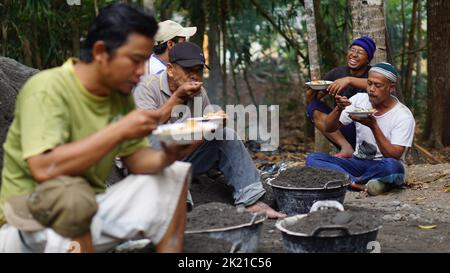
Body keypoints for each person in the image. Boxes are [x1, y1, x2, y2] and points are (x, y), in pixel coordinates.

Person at [0, 3, 198, 253]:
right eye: (135, 61)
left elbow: (137, 162)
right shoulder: (47, 89)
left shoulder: (120, 96)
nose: (141, 71)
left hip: (87, 216)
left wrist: (173, 152)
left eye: (145, 61)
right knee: (75, 192)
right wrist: (119, 130)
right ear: (101, 51)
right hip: (26, 224)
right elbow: (44, 168)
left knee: (174, 176)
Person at [133, 42, 286, 219]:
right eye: (188, 69)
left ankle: (251, 200)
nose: (194, 76)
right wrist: (177, 97)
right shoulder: (146, 87)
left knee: (225, 134)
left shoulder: (199, 92)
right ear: (170, 69)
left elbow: (200, 131)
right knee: (157, 139)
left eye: (198, 70)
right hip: (147, 161)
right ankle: (178, 208)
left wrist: (212, 125)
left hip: (182, 156)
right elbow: (147, 132)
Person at [306, 62, 415, 196]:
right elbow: (329, 127)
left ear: (391, 88)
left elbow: (394, 155)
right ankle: (358, 183)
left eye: (377, 85)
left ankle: (347, 180)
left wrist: (373, 126)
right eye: (369, 84)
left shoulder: (403, 115)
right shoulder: (359, 100)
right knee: (313, 159)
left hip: (382, 165)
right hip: (358, 162)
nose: (371, 89)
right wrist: (338, 109)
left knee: (393, 168)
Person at [306, 36, 377, 158]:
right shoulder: (337, 73)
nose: (354, 55)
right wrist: (312, 89)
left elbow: (379, 86)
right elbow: (311, 100)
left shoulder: (374, 74)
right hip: (342, 128)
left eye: (360, 52)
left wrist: (349, 80)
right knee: (313, 107)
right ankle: (345, 147)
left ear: (368, 60)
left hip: (368, 130)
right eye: (352, 50)